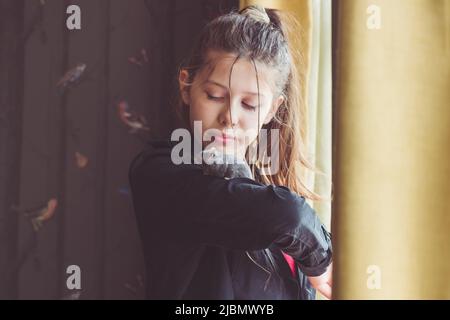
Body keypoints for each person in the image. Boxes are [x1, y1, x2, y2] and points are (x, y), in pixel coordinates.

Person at [129, 5, 333, 300]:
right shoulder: (159, 173)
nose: (229, 117)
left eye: (249, 104)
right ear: (187, 86)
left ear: (272, 110)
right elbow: (289, 216)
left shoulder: (269, 187)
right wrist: (322, 260)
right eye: (214, 96)